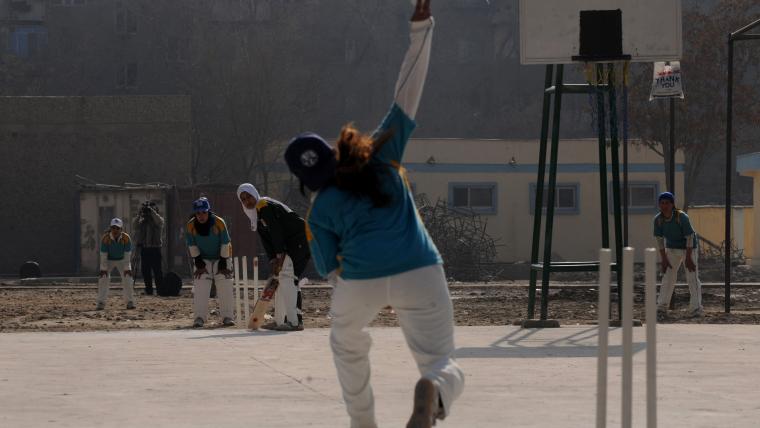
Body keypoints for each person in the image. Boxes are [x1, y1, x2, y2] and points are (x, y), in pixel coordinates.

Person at [284, 1, 463, 427]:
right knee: (441, 359)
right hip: (420, 270)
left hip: (360, 279)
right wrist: (421, 32)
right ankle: (433, 389)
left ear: (304, 179)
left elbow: (329, 270)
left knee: (346, 342)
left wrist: (362, 293)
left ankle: (363, 423)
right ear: (334, 149)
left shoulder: (320, 208)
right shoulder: (382, 156)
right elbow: (407, 93)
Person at [237, 183, 310, 331]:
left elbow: (276, 232)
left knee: (287, 278)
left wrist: (279, 255)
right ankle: (292, 320)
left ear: (254, 194)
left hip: (299, 240)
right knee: (289, 280)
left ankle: (294, 322)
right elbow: (266, 239)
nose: (247, 201)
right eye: (243, 199)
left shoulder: (264, 206)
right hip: (293, 243)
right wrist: (272, 259)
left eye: (249, 197)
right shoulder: (257, 214)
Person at [185, 197, 235, 328]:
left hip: (222, 256)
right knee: (201, 284)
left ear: (209, 211)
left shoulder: (219, 222)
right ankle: (199, 318)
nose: (201, 216)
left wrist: (223, 263)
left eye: (204, 212)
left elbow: (225, 243)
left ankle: (227, 317)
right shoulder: (190, 225)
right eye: (198, 213)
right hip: (202, 257)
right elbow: (192, 246)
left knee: (224, 283)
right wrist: (200, 264)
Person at [654, 191, 703, 319]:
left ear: (672, 204)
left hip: (689, 248)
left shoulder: (681, 217)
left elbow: (690, 236)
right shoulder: (658, 220)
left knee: (692, 276)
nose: (664, 206)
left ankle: (696, 308)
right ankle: (662, 307)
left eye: (667, 203)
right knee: (668, 276)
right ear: (659, 205)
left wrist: (688, 257)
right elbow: (659, 240)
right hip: (672, 248)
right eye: (662, 203)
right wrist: (664, 259)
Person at [97, 218, 135, 310]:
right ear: (110, 228)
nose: (115, 230)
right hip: (109, 260)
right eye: (113, 228)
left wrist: (127, 268)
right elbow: (103, 255)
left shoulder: (126, 238)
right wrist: (103, 269)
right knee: (103, 278)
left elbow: (127, 255)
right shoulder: (105, 238)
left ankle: (130, 301)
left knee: (128, 279)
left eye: (117, 228)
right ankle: (101, 302)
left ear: (121, 229)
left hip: (122, 260)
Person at [132, 200, 164, 295]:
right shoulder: (142, 222)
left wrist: (151, 211)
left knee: (157, 271)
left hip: (155, 248)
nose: (148, 212)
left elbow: (158, 220)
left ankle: (160, 290)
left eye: (151, 210)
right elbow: (134, 225)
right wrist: (139, 213)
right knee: (145, 271)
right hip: (144, 249)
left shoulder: (159, 221)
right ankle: (149, 290)